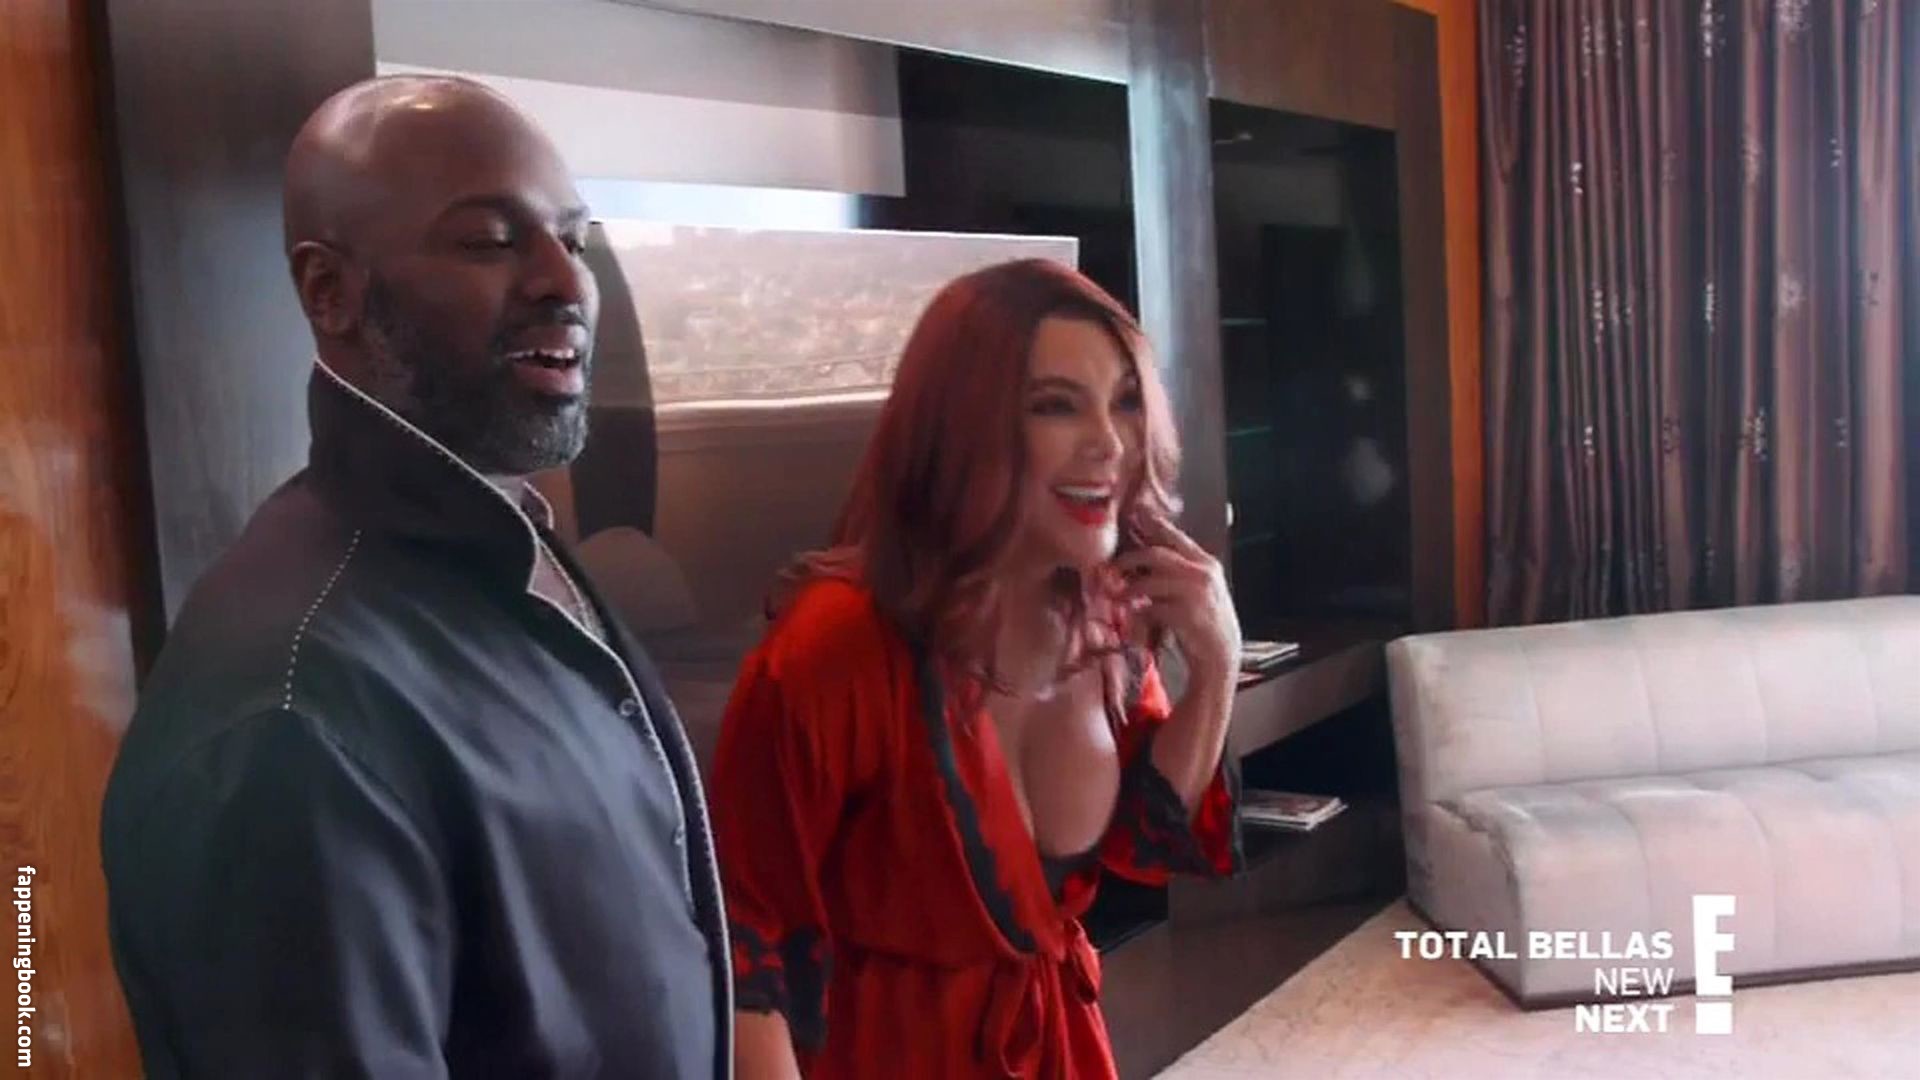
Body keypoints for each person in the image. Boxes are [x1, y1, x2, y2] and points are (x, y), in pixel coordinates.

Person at [100, 76, 729, 1078]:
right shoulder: (292, 716)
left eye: (574, 238)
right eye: (489, 241)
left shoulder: (504, 553)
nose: (564, 281)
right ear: (329, 292)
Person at [716, 259, 1244, 1078]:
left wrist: (1217, 667)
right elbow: (744, 952)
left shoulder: (1105, 617)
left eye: (1125, 401)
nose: (1109, 442)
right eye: (1055, 405)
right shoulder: (836, 648)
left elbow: (1145, 842)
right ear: (963, 427)